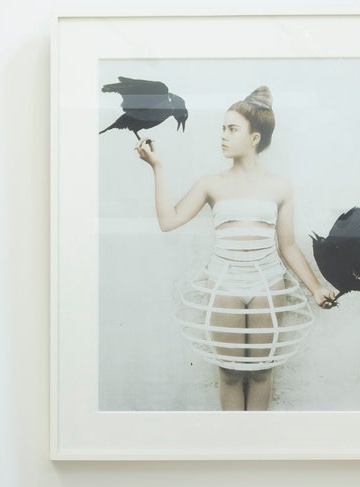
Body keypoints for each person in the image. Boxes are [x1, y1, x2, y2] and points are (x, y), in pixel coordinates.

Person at [137, 86, 341, 412]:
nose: (223, 136)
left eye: (232, 130)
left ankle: (255, 453)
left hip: (268, 282)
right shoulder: (211, 183)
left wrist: (316, 289)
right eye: (222, 128)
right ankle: (231, 449)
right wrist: (157, 167)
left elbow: (287, 246)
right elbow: (168, 220)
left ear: (255, 138)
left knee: (261, 373)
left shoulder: (280, 187)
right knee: (230, 374)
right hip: (224, 281)